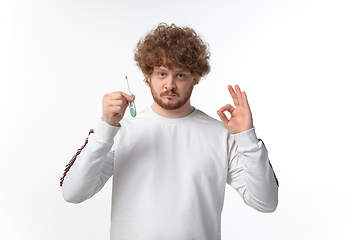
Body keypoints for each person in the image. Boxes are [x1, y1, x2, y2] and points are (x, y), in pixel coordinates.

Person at [60, 23, 278, 240]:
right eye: (162, 74)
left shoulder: (221, 134)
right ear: (148, 76)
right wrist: (105, 127)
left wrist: (246, 137)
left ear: (196, 78)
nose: (170, 85)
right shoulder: (120, 131)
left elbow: (266, 202)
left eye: (180, 75)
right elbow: (73, 192)